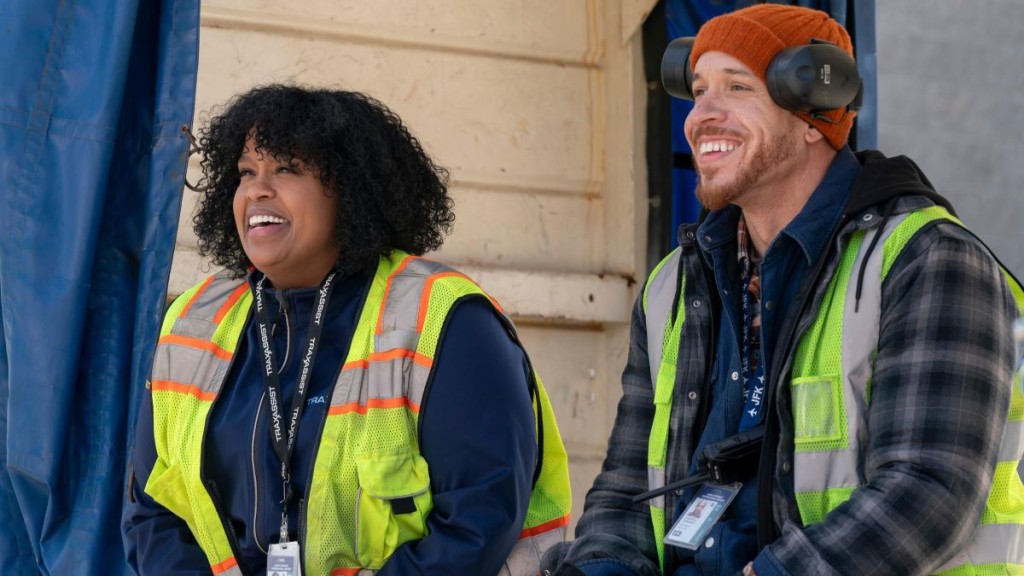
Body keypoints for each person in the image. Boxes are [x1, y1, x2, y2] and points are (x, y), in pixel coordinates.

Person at [541, 5, 1024, 576]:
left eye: (736, 87)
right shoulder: (673, 282)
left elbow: (927, 495)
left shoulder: (929, 260)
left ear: (813, 115)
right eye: (698, 91)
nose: (701, 117)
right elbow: (625, 490)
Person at [122, 84, 572, 575]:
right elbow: (152, 513)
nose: (256, 190)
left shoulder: (446, 318)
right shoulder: (193, 318)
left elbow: (476, 522)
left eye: (286, 169)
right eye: (247, 172)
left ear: (353, 188)